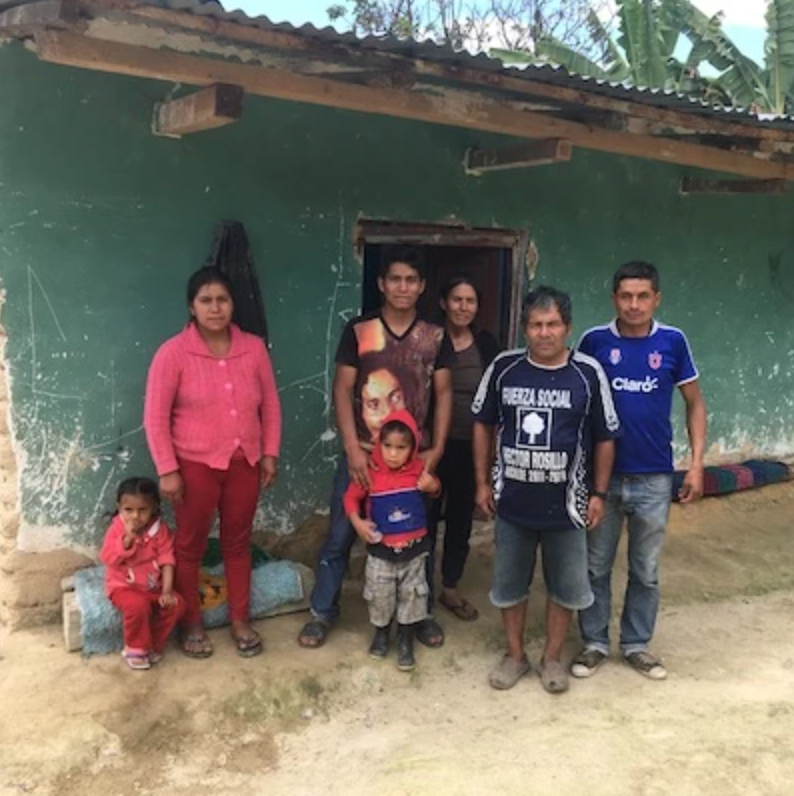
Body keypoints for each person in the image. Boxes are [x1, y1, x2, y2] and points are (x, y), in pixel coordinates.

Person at [298, 245, 453, 650]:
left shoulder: (435, 335)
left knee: (419, 538)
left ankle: (421, 615)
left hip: (413, 460)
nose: (403, 287)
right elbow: (342, 389)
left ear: (421, 286)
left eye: (411, 280)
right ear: (382, 284)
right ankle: (322, 612)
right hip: (365, 455)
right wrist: (352, 449)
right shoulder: (360, 331)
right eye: (395, 279)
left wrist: (435, 451)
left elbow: (444, 393)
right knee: (340, 533)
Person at [472, 286, 620, 693]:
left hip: (568, 507)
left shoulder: (587, 373)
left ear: (567, 327)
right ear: (525, 328)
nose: (544, 333)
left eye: (552, 324)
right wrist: (482, 482)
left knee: (566, 587)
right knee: (509, 586)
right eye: (536, 325)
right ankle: (515, 655)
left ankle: (551, 658)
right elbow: (482, 424)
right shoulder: (504, 367)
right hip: (512, 503)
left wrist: (598, 494)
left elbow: (606, 437)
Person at [571, 261, 707, 681]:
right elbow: (577, 403)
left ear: (656, 299)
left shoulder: (673, 341)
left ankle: (635, 645)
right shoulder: (594, 341)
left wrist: (696, 464)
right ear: (614, 299)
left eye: (642, 296)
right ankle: (594, 643)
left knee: (645, 570)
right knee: (595, 566)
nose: (634, 304)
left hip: (654, 478)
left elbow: (695, 403)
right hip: (602, 479)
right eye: (626, 296)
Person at [144, 266, 282, 659]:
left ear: (233, 304)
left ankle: (240, 620)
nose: (215, 308)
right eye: (206, 300)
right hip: (193, 467)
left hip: (245, 463)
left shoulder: (253, 348)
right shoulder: (173, 353)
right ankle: (191, 624)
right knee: (189, 547)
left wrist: (269, 453)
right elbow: (155, 417)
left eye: (222, 299)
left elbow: (271, 406)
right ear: (192, 306)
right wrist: (167, 471)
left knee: (237, 543)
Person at [344, 410, 441, 671]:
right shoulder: (371, 472)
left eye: (401, 447)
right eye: (387, 446)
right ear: (379, 445)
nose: (393, 454)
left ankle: (405, 639)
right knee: (380, 595)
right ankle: (382, 634)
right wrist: (357, 522)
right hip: (381, 552)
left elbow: (435, 489)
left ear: (413, 448)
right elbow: (350, 498)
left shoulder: (419, 470)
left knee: (412, 595)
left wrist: (432, 486)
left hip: (414, 552)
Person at [427, 274, 499, 622]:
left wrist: (492, 450)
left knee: (459, 520)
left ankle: (450, 587)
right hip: (429, 446)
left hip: (471, 446)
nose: (463, 307)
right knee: (424, 518)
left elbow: (496, 398)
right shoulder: (428, 338)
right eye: (457, 299)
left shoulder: (486, 344)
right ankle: (420, 589)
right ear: (444, 303)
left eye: (470, 301)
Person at [100, 477, 185, 671]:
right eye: (128, 510)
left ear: (154, 508)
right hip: (123, 587)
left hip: (152, 587)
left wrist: (167, 591)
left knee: (177, 605)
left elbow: (167, 561)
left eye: (143, 510)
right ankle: (135, 648)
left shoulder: (160, 530)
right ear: (119, 508)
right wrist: (127, 540)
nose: (135, 516)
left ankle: (152, 643)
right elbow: (109, 559)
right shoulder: (117, 529)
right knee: (138, 606)